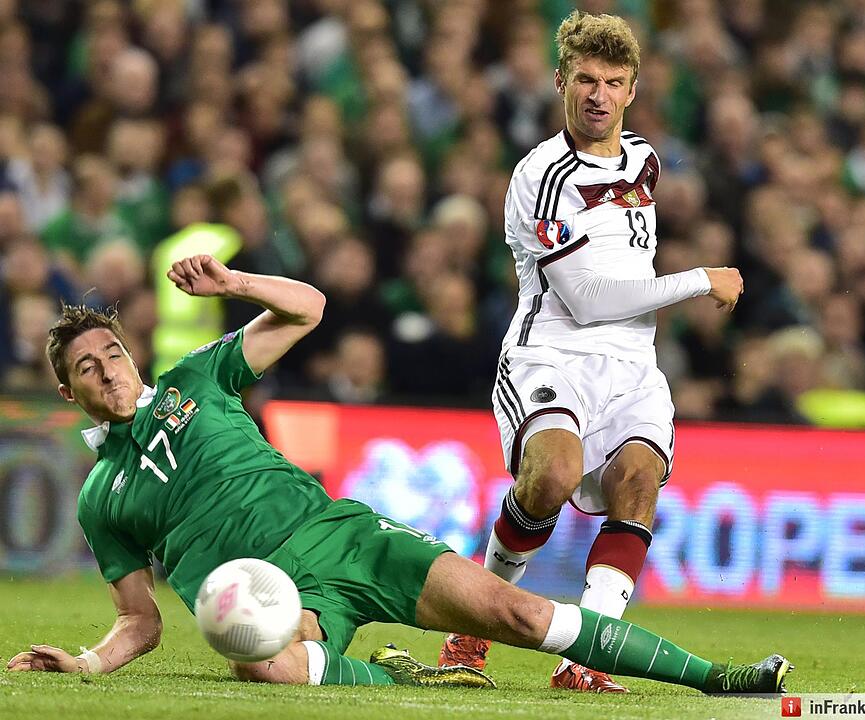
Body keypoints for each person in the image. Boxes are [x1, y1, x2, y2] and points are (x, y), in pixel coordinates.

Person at [5, 254, 786, 697]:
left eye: (111, 352)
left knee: (517, 615)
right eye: (87, 368)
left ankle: (716, 679)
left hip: (343, 536)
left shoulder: (193, 380)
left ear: (128, 353)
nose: (107, 371)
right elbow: (140, 621)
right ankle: (406, 683)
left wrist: (236, 285)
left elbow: (308, 307)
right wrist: (84, 660)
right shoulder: (99, 497)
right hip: (278, 597)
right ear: (69, 391)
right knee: (260, 660)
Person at [439, 11, 744, 693]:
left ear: (633, 89)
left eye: (613, 81)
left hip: (633, 366)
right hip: (553, 354)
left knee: (639, 482)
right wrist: (702, 278)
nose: (597, 94)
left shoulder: (644, 159)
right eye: (584, 79)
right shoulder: (539, 176)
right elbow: (588, 300)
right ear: (560, 82)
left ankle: (587, 658)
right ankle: (472, 630)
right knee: (550, 479)